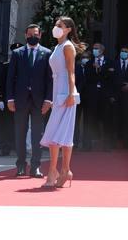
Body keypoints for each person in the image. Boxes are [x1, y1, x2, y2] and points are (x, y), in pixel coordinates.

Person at [40, 17, 81, 189]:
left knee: (60, 134)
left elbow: (71, 72)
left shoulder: (68, 46)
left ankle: (56, 171)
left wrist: (71, 93)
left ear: (68, 29)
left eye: (60, 26)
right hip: (58, 92)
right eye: (56, 25)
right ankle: (64, 170)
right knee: (55, 133)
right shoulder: (57, 46)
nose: (56, 28)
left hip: (66, 92)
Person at [6, 23, 52, 177]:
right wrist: (10, 99)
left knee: (37, 135)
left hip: (39, 101)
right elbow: (11, 77)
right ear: (25, 35)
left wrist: (48, 100)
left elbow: (50, 79)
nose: (33, 36)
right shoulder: (18, 53)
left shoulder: (47, 53)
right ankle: (20, 165)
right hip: (20, 99)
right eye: (30, 34)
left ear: (40, 36)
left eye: (36, 34)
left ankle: (35, 166)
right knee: (20, 132)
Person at [80, 41, 119, 151]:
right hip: (92, 95)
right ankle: (87, 145)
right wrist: (96, 70)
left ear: (102, 50)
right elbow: (88, 78)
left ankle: (108, 145)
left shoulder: (110, 62)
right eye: (94, 48)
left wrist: (100, 70)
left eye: (97, 48)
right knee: (89, 119)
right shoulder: (89, 63)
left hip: (105, 95)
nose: (95, 50)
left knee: (107, 119)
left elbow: (111, 78)